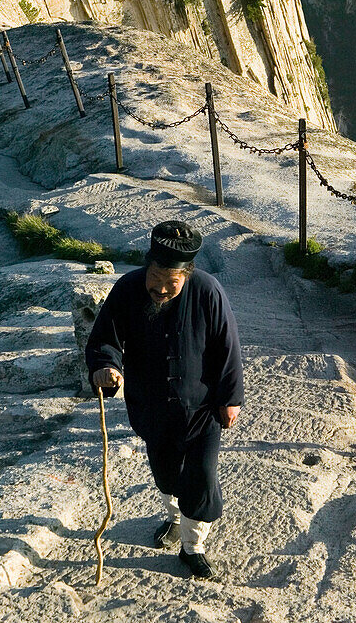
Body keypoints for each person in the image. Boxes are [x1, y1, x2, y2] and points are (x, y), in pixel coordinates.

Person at [85, 221, 243, 579]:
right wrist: (106, 367)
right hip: (151, 403)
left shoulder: (207, 291)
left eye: (171, 283)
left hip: (201, 407)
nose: (159, 288)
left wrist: (230, 398)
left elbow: (227, 347)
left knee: (201, 477)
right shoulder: (127, 289)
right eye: (154, 278)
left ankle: (193, 547)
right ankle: (175, 519)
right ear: (147, 267)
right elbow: (104, 339)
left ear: (186, 275)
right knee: (166, 473)